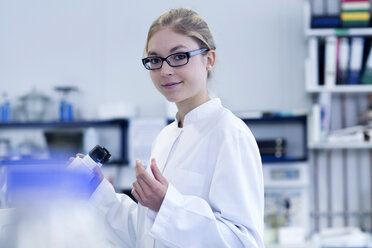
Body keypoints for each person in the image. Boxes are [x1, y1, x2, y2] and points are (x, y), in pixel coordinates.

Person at [89, 8, 264, 248]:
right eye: (154, 59)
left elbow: (243, 241)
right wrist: (98, 191)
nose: (165, 70)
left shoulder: (230, 133)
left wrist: (166, 205)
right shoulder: (165, 137)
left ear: (209, 60)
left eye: (179, 56)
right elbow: (145, 235)